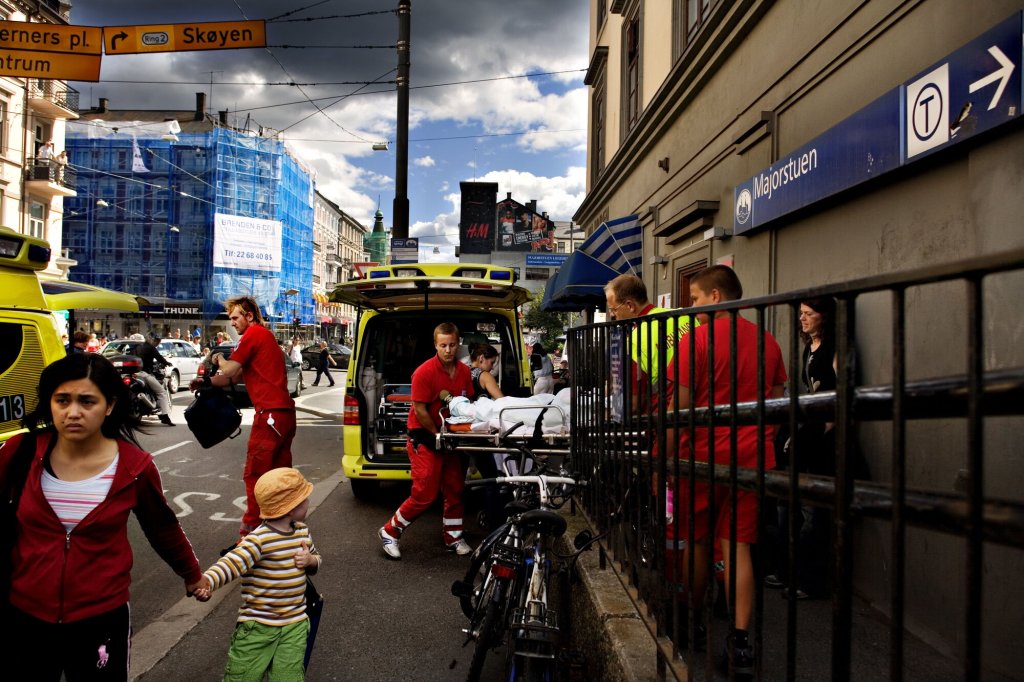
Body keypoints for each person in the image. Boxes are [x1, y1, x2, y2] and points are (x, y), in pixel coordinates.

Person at [1, 353, 205, 681]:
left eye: (86, 401)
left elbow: (162, 527)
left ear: (109, 406)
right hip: (26, 614)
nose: (73, 412)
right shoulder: (19, 453)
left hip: (101, 619)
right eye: (62, 400)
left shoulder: (134, 467)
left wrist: (192, 574)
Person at [665, 265, 787, 676]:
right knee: (739, 548)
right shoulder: (767, 341)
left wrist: (666, 453)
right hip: (750, 459)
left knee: (697, 543)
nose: (691, 306)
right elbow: (776, 397)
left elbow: (680, 407)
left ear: (716, 297)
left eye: (696, 299)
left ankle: (693, 621)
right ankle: (740, 642)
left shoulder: (693, 341)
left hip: (700, 458)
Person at [190, 467, 321, 681]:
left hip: (294, 624)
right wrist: (206, 582)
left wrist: (310, 561)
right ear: (290, 507)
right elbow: (231, 563)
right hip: (257, 627)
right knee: (243, 677)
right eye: (304, 499)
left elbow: (316, 560)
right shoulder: (258, 540)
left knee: (288, 677)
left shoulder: (302, 532)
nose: (308, 502)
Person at [190, 296, 296, 545]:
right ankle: (282, 531)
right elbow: (233, 378)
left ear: (249, 316)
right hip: (283, 415)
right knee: (278, 475)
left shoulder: (254, 334)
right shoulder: (263, 336)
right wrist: (205, 382)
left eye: (236, 317)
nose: (233, 323)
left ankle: (248, 540)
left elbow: (228, 370)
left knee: (255, 475)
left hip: (268, 415)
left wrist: (217, 359)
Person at [378, 322, 474, 560]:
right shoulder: (424, 372)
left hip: (450, 437)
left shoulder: (463, 371)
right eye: (443, 345)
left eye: (452, 345)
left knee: (455, 489)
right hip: (425, 436)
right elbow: (420, 410)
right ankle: (390, 531)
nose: (448, 350)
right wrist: (437, 434)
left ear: (458, 343)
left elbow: (465, 404)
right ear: (435, 345)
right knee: (425, 494)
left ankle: (453, 536)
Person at [766, 297, 837, 600]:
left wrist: (819, 431)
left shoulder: (836, 350)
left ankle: (810, 581)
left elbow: (837, 397)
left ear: (825, 316)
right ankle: (787, 572)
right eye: (801, 315)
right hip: (805, 434)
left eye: (809, 314)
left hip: (822, 439)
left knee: (814, 512)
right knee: (790, 505)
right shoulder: (809, 348)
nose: (803, 319)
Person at [136, 334, 175, 426]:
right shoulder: (151, 348)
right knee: (162, 392)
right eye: (157, 342)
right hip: (145, 373)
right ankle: (165, 416)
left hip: (135, 374)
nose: (157, 344)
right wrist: (167, 363)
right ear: (153, 340)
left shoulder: (139, 347)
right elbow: (159, 358)